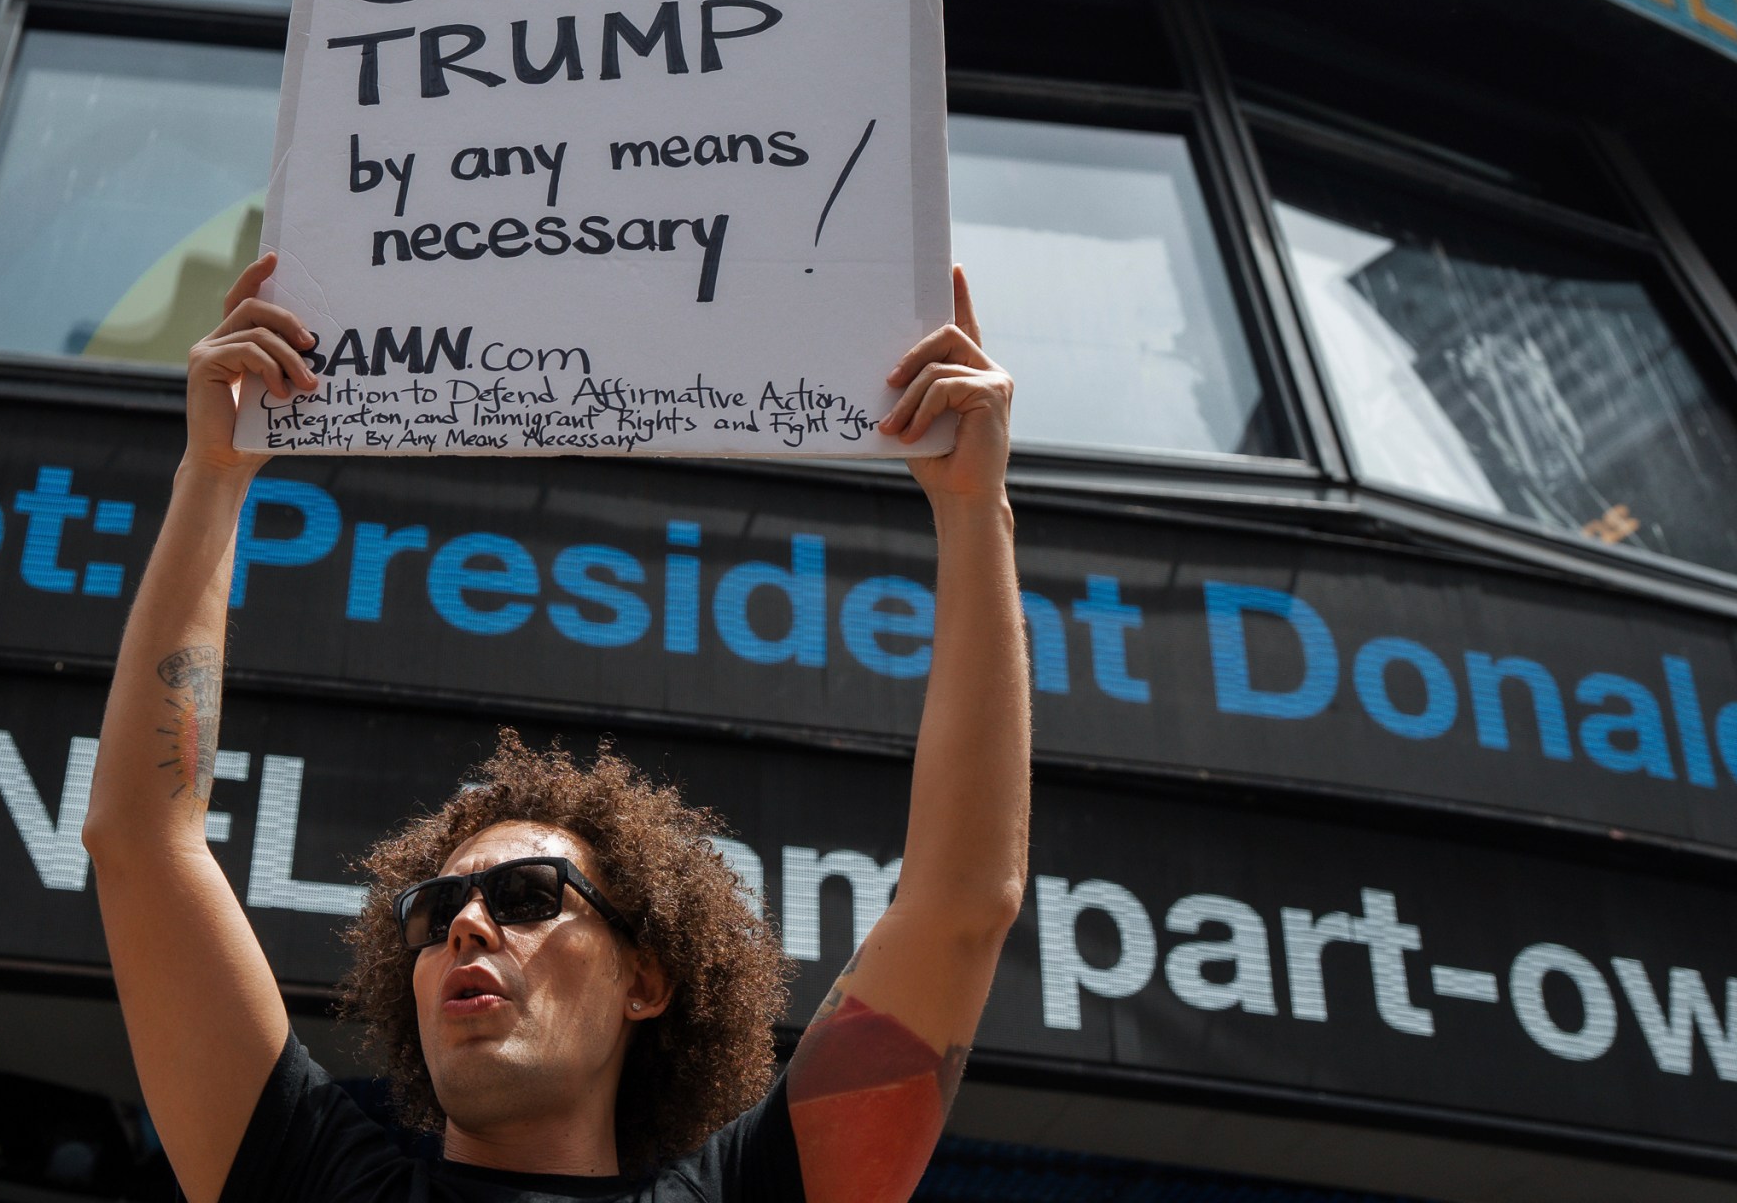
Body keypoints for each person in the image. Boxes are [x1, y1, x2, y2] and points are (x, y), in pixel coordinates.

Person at [82, 252, 1028, 1203]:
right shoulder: (307, 1179)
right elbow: (140, 844)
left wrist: (972, 507)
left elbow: (960, 907)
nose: (465, 927)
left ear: (645, 982)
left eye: (530, 894)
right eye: (434, 910)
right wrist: (212, 471)